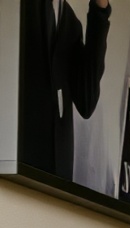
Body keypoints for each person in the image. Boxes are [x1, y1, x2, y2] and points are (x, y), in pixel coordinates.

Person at [19, 0, 114, 181]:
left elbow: (86, 102)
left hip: (56, 179)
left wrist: (100, 11)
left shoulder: (71, 24)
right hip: (16, 170)